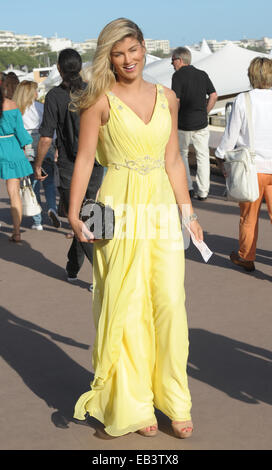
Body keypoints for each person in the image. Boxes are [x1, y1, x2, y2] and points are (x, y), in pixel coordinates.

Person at [68, 18, 203, 439]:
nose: (128, 60)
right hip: (118, 207)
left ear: (145, 48)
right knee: (125, 304)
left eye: (133, 50)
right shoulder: (100, 100)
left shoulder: (168, 96)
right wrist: (74, 214)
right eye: (118, 53)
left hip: (161, 208)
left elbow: (174, 161)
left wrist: (190, 214)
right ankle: (134, 402)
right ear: (109, 56)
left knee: (167, 303)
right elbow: (86, 159)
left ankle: (174, 399)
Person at [34, 49, 104, 285]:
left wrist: (37, 164)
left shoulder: (54, 96)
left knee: (78, 219)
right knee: (91, 218)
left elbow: (45, 137)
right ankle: (73, 267)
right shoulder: (93, 91)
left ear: (59, 68)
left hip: (69, 166)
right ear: (80, 67)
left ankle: (103, 275)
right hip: (96, 164)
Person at [215, 57, 272, 272]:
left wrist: (221, 158)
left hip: (252, 169)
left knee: (249, 216)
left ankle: (246, 256)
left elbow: (230, 137)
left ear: (251, 75)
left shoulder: (243, 100)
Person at [13, 80, 61, 230]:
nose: (37, 93)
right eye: (35, 90)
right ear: (31, 93)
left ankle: (37, 221)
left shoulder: (18, 111)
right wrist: (54, 146)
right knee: (49, 181)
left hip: (26, 144)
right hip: (43, 142)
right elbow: (51, 129)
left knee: (32, 182)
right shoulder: (42, 107)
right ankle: (52, 207)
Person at [171, 47, 217, 200]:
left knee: (182, 155)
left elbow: (176, 100)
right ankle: (203, 191)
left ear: (180, 60)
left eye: (173, 61)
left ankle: (188, 187)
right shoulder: (202, 74)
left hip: (183, 124)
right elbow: (214, 95)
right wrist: (205, 112)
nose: (172, 64)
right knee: (203, 157)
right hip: (201, 123)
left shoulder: (177, 76)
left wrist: (174, 118)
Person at [0, 79, 33, 242]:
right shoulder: (12, 105)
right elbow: (21, 132)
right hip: (12, 148)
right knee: (14, 193)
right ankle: (17, 232)